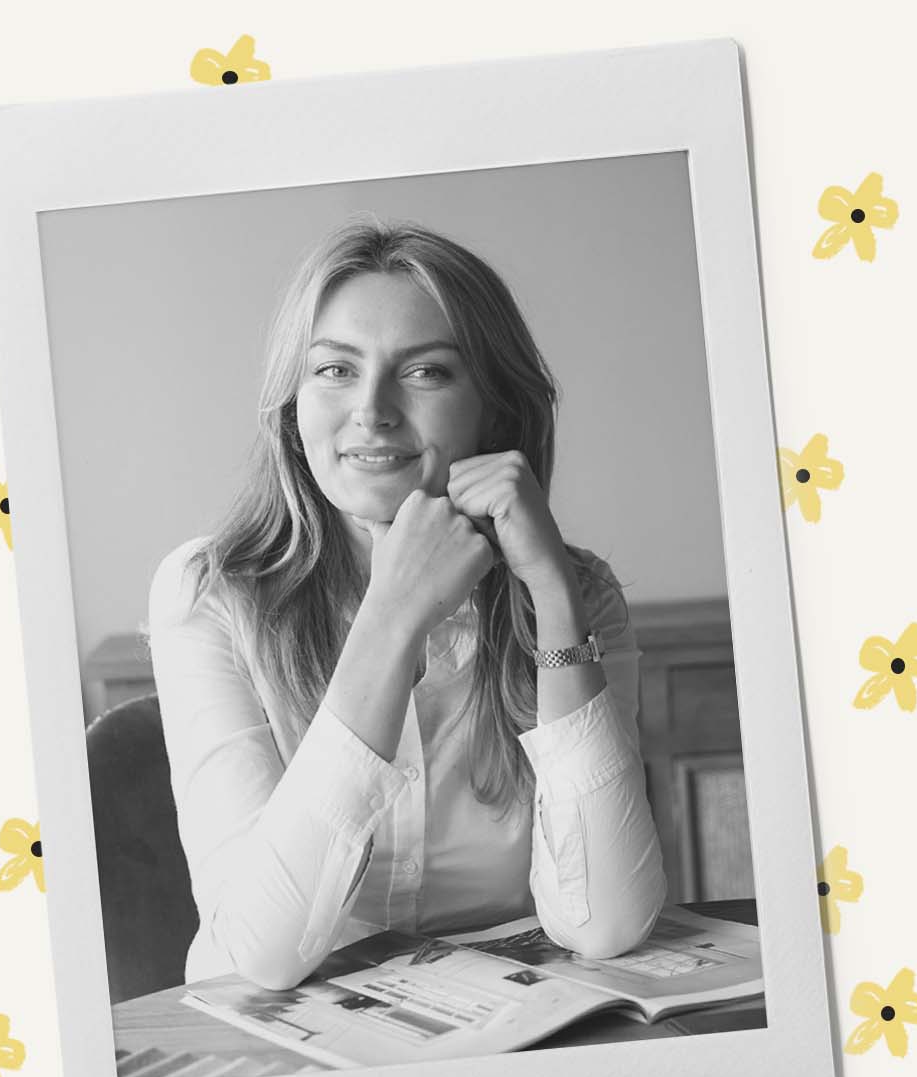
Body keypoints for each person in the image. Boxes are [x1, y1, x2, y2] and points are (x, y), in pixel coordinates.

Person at [148, 216, 667, 991]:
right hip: (279, 1060)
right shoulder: (207, 593)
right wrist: (393, 617)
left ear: (495, 408)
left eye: (425, 372)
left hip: (506, 1039)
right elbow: (259, 953)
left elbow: (608, 923)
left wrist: (554, 598)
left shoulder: (579, 594)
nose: (373, 410)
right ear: (292, 402)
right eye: (335, 370)